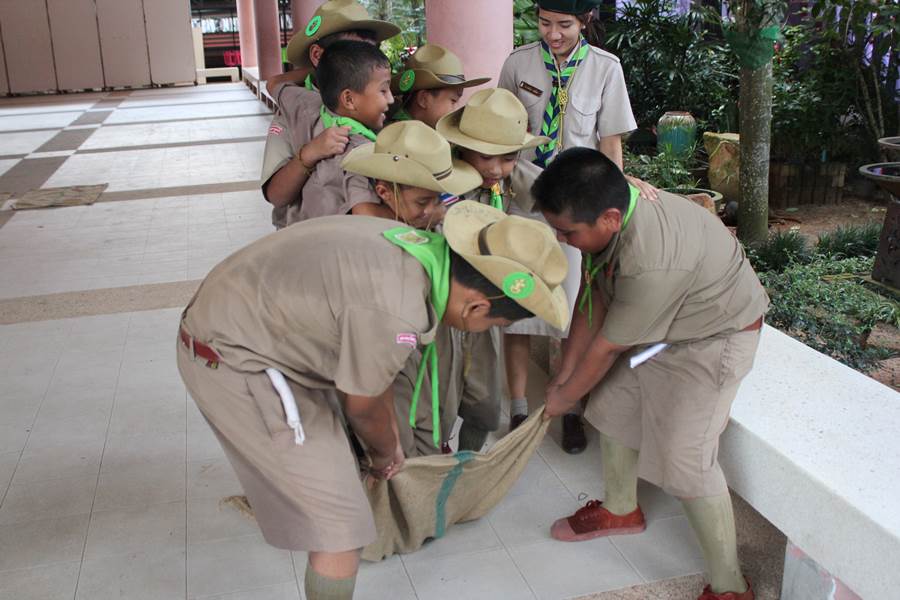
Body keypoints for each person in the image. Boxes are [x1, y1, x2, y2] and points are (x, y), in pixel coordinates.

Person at [177, 201, 569, 600]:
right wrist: (386, 454)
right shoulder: (399, 310)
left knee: (340, 483)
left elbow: (369, 376)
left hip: (251, 328)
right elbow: (363, 407)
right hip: (236, 357)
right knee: (340, 531)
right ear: (476, 306)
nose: (485, 330)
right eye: (494, 324)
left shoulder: (413, 245)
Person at [534, 148, 769, 600]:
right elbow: (591, 297)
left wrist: (564, 398)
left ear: (609, 218)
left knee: (687, 459)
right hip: (663, 330)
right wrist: (565, 376)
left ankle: (730, 586)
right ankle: (621, 509)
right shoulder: (612, 208)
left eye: (567, 232)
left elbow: (608, 345)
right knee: (610, 407)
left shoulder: (651, 261)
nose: (561, 239)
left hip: (714, 337)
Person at [498, 0, 656, 452]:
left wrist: (616, 198)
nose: (553, 34)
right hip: (526, 201)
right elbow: (503, 133)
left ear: (584, 21)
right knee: (518, 309)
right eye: (545, 23)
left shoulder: (605, 68)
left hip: (577, 208)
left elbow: (610, 144)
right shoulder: (518, 64)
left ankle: (568, 408)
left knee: (569, 312)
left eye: (564, 25)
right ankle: (518, 408)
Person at [436, 87, 581, 440]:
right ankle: (436, 458)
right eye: (486, 157)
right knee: (439, 401)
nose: (496, 169)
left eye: (508, 157)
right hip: (442, 309)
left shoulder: (517, 179)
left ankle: (468, 460)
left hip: (486, 312)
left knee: (484, 405)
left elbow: (566, 199)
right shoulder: (439, 180)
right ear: (462, 146)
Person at [260, 0, 399, 228]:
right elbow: (276, 195)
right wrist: (309, 154)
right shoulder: (296, 110)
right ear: (317, 55)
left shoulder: (378, 93)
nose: (367, 59)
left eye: (373, 50)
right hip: (307, 235)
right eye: (353, 52)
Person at [294, 40, 397, 223]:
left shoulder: (315, 110)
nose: (391, 99)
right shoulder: (358, 148)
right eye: (383, 90)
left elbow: (277, 87)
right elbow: (364, 214)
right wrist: (417, 213)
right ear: (349, 99)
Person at [388, 44, 490, 128]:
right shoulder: (402, 140)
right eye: (453, 101)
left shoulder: (422, 132)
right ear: (424, 99)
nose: (455, 109)